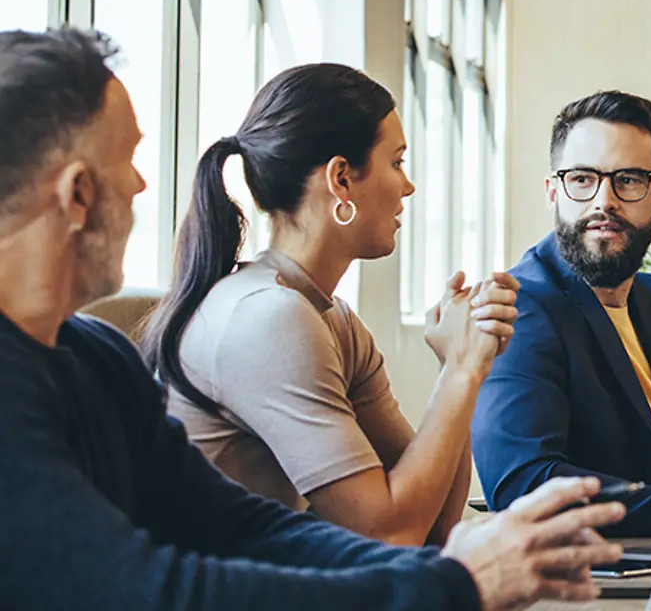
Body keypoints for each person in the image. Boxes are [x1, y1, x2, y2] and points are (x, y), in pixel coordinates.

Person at [0, 28, 624, 611]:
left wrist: (450, 578)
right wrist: (453, 587)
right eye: (127, 159)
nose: (141, 182)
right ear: (76, 194)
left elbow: (241, 526)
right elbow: (146, 610)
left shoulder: (95, 357)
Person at [143, 63, 513, 546]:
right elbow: (390, 535)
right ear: (341, 179)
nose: (408, 187)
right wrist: (462, 371)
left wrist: (458, 369)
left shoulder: (329, 317)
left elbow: (437, 526)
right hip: (208, 608)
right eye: (397, 162)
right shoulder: (268, 318)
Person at [472, 91, 651, 537]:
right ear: (553, 192)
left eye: (630, 180)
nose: (604, 201)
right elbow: (522, 486)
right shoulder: (521, 308)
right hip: (603, 580)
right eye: (582, 179)